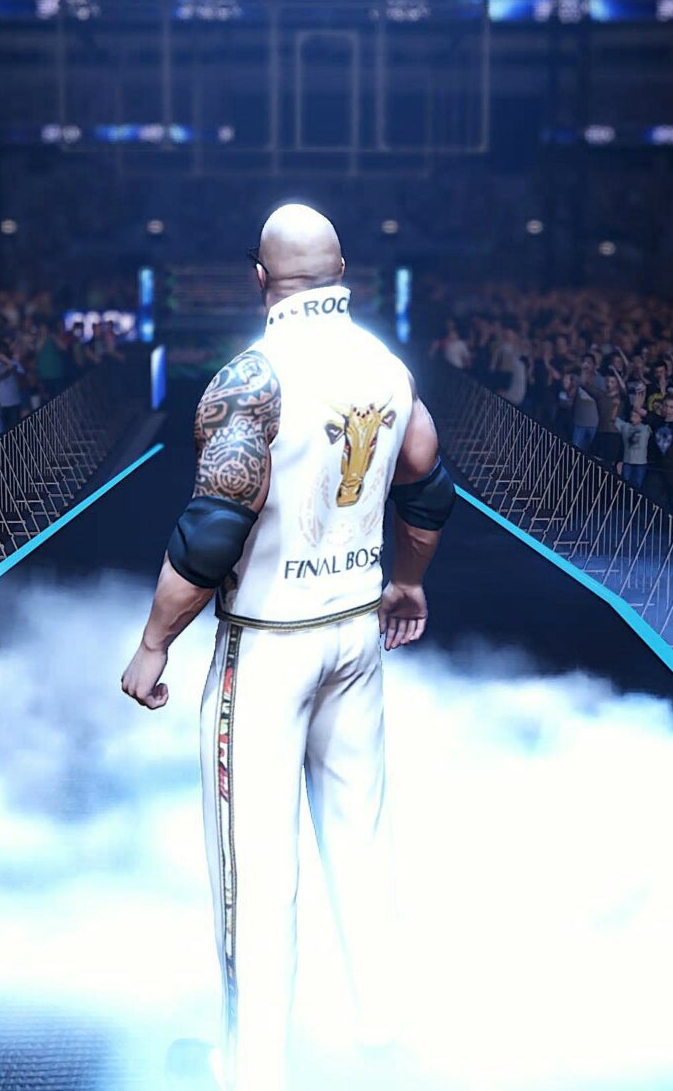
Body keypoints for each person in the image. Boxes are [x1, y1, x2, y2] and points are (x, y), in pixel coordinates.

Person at [119, 206, 443, 1091]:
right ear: (344, 270)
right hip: (356, 632)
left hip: (268, 648)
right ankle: (385, 1038)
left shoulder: (251, 379)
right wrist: (409, 580)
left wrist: (154, 641)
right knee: (361, 841)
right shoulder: (386, 366)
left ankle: (252, 1071)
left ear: (260, 279)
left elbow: (213, 531)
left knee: (258, 873)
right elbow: (428, 478)